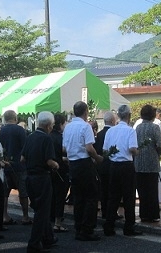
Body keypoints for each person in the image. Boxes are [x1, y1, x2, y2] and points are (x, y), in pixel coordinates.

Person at [63, 101, 103, 241]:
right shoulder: (86, 126)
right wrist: (97, 158)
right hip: (85, 164)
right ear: (85, 112)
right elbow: (89, 148)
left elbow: (64, 148)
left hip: (72, 164)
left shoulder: (68, 127)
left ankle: (79, 227)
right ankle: (87, 229)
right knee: (91, 197)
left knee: (78, 198)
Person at [21, 111, 59, 253]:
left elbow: (22, 159)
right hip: (42, 177)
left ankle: (48, 237)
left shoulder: (30, 137)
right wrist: (56, 165)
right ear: (49, 125)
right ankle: (34, 243)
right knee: (42, 212)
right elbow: (49, 161)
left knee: (39, 209)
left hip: (30, 177)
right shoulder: (46, 139)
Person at [102, 105, 142, 237]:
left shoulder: (110, 131)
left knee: (113, 197)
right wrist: (138, 151)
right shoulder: (130, 131)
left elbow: (105, 150)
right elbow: (132, 149)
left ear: (118, 115)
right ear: (129, 116)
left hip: (113, 165)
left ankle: (109, 226)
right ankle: (129, 227)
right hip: (126, 166)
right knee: (128, 198)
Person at [0, 110, 31, 225]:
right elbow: (25, 147)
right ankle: (25, 216)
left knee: (5, 193)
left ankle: (4, 215)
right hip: (19, 165)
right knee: (23, 192)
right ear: (15, 118)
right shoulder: (20, 130)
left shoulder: (0, 130)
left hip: (4, 164)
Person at [134, 105, 161, 223]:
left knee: (142, 190)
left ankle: (143, 214)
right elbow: (159, 144)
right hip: (151, 162)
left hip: (139, 162)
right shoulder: (155, 127)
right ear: (152, 115)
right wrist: (159, 154)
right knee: (152, 189)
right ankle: (152, 214)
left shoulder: (138, 128)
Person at [93, 111, 122, 220]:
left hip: (101, 165)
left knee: (103, 190)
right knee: (113, 191)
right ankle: (112, 213)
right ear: (113, 121)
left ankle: (104, 211)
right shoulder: (115, 133)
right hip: (112, 164)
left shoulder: (99, 134)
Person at [49, 113, 69, 233]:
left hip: (49, 171)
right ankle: (57, 222)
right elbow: (63, 152)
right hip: (60, 169)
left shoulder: (48, 136)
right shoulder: (60, 138)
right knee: (60, 196)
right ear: (61, 124)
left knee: (52, 195)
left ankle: (51, 217)